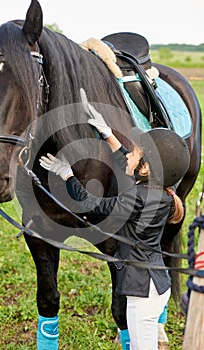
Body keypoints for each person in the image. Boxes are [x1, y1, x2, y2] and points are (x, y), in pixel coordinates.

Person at [39, 94, 190, 350]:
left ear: (145, 168)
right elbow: (127, 165)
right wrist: (107, 133)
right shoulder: (155, 191)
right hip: (151, 285)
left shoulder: (136, 197)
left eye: (135, 152)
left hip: (143, 289)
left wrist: (67, 176)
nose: (129, 153)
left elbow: (90, 205)